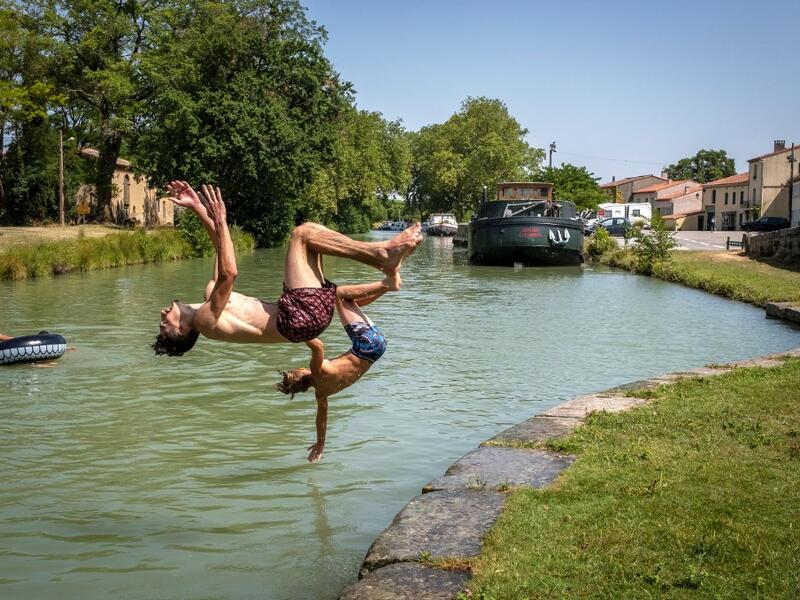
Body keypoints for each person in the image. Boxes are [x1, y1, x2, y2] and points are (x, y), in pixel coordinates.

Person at [155, 182, 422, 355]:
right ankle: (381, 255)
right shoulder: (205, 322)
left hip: (301, 319)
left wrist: (199, 208)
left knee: (313, 234)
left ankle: (381, 255)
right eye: (163, 326)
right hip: (296, 319)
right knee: (302, 235)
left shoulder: (210, 299)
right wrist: (221, 218)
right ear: (181, 331)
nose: (162, 315)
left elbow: (221, 250)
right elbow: (230, 273)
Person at [276, 271, 399, 462]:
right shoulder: (316, 369)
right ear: (300, 372)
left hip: (377, 349)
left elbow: (321, 420)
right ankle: (387, 284)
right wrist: (295, 330)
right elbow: (318, 345)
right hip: (365, 344)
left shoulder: (322, 393)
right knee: (339, 295)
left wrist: (320, 444)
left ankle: (389, 285)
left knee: (349, 302)